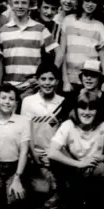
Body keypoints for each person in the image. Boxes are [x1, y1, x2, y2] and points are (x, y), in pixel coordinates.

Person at [46, 92, 104, 209]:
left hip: (93, 170)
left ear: (97, 110)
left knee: (102, 168)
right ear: (76, 109)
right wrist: (79, 163)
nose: (87, 112)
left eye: (91, 108)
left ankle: (93, 202)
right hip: (73, 169)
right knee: (57, 156)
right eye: (83, 107)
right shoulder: (68, 124)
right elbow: (52, 151)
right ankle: (61, 195)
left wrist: (103, 157)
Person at [20, 63, 68, 197]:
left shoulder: (62, 101)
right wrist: (36, 157)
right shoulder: (28, 101)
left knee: (58, 188)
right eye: (43, 79)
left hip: (55, 155)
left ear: (57, 81)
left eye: (51, 79)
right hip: (34, 155)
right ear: (37, 80)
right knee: (41, 190)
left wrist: (53, 155)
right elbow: (25, 133)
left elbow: (63, 134)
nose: (47, 83)